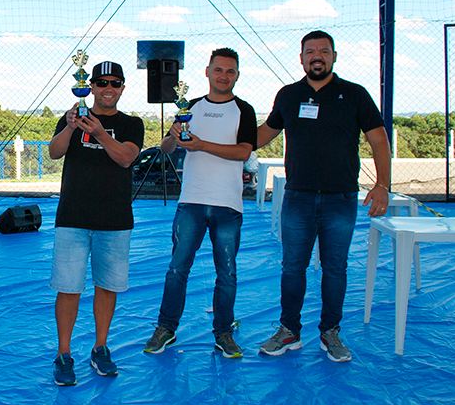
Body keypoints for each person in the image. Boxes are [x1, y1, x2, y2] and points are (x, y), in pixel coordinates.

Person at [257, 30, 391, 363]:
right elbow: (261, 136)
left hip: (340, 200)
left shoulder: (355, 94)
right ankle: (289, 330)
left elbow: (379, 140)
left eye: (323, 51)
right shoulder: (288, 95)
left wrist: (382, 185)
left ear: (333, 56)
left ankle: (330, 332)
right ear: (301, 58)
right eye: (310, 51)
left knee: (335, 269)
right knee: (292, 267)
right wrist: (209, 138)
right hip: (297, 199)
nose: (317, 56)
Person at [144, 48, 257, 358]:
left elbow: (244, 152)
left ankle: (223, 332)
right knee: (177, 269)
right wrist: (173, 136)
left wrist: (202, 145)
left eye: (230, 71)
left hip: (228, 205)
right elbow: (166, 148)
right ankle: (166, 327)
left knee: (227, 274)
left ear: (237, 75)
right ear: (207, 72)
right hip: (191, 202)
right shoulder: (189, 107)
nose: (223, 76)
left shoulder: (244, 110)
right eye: (218, 70)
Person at [48, 61, 144, 386]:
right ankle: (63, 353)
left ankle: (100, 347)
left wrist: (100, 133)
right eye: (102, 82)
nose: (108, 88)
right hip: (72, 218)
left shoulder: (132, 123)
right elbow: (54, 152)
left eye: (115, 83)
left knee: (107, 286)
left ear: (122, 88)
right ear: (90, 86)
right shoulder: (72, 118)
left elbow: (126, 158)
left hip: (114, 220)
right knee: (68, 287)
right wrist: (71, 127)